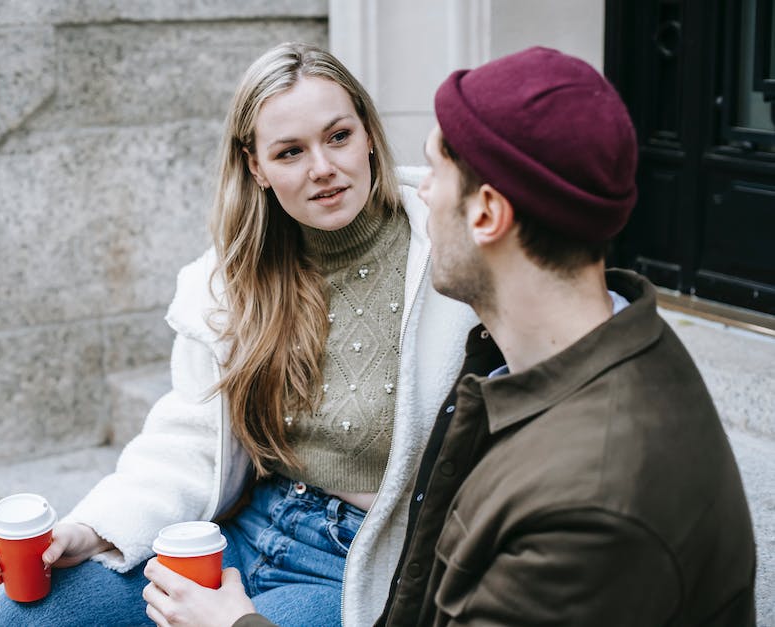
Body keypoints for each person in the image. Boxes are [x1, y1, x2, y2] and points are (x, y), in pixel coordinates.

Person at [149, 46, 758, 627]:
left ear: (487, 215)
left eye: (436, 171)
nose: (417, 191)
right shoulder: (541, 359)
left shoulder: (589, 500)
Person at [0, 42, 477, 627]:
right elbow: (188, 437)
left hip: (359, 564)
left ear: (368, 132)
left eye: (338, 136)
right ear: (256, 166)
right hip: (237, 536)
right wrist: (89, 529)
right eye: (290, 151)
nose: (322, 167)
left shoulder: (449, 250)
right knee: (25, 616)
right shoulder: (231, 279)